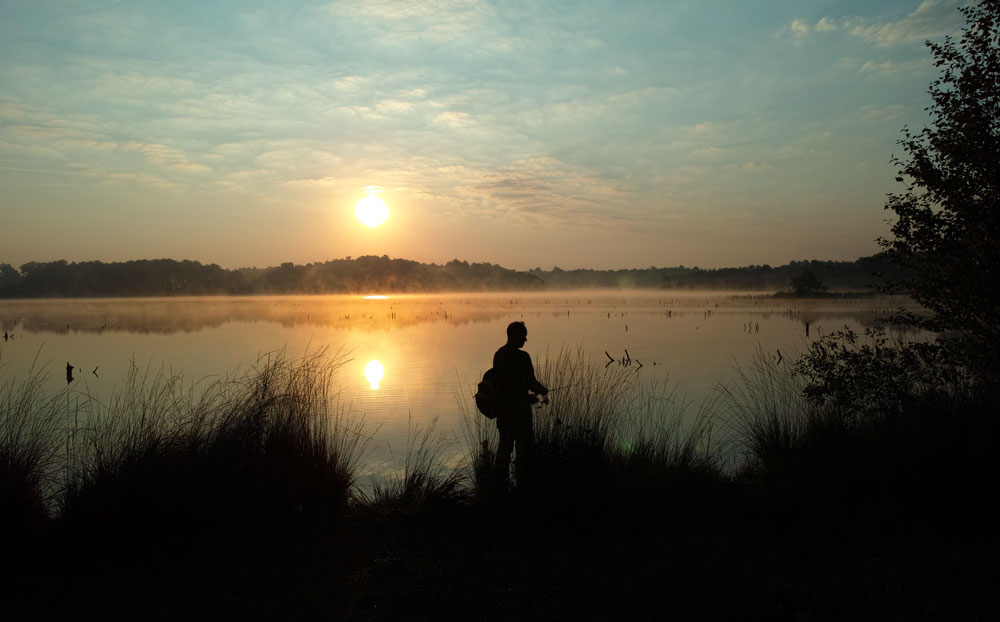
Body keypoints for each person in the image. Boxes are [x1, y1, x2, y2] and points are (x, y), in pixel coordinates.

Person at [492, 321, 548, 485]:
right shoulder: (523, 357)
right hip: (520, 412)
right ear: (514, 335)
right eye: (523, 335)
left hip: (503, 411)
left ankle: (501, 485)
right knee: (524, 450)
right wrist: (543, 391)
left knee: (504, 449)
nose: (525, 339)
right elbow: (530, 382)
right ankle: (523, 484)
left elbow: (504, 386)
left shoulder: (498, 354)